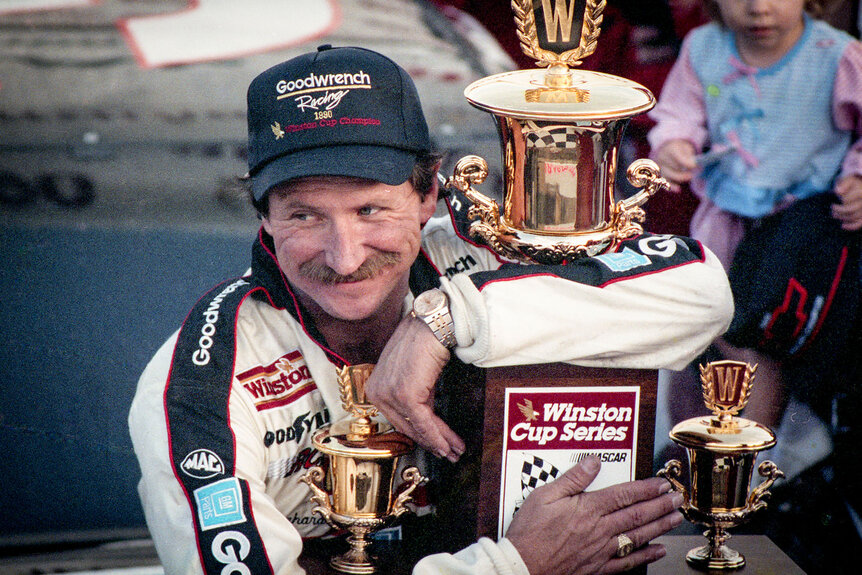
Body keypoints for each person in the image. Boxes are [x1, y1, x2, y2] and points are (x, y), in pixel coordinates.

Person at [129, 45, 733, 574]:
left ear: (428, 194)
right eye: (304, 215)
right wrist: (513, 568)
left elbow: (704, 291)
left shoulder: (486, 252)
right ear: (263, 215)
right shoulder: (201, 387)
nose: (343, 259)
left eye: (371, 211)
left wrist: (443, 320)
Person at [648, 0, 862, 431]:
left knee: (761, 338)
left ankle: (749, 458)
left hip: (798, 228)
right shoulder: (704, 46)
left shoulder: (835, 54)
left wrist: (859, 176)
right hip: (723, 217)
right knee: (697, 327)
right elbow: (677, 113)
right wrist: (675, 145)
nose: (758, 8)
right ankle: (688, 444)